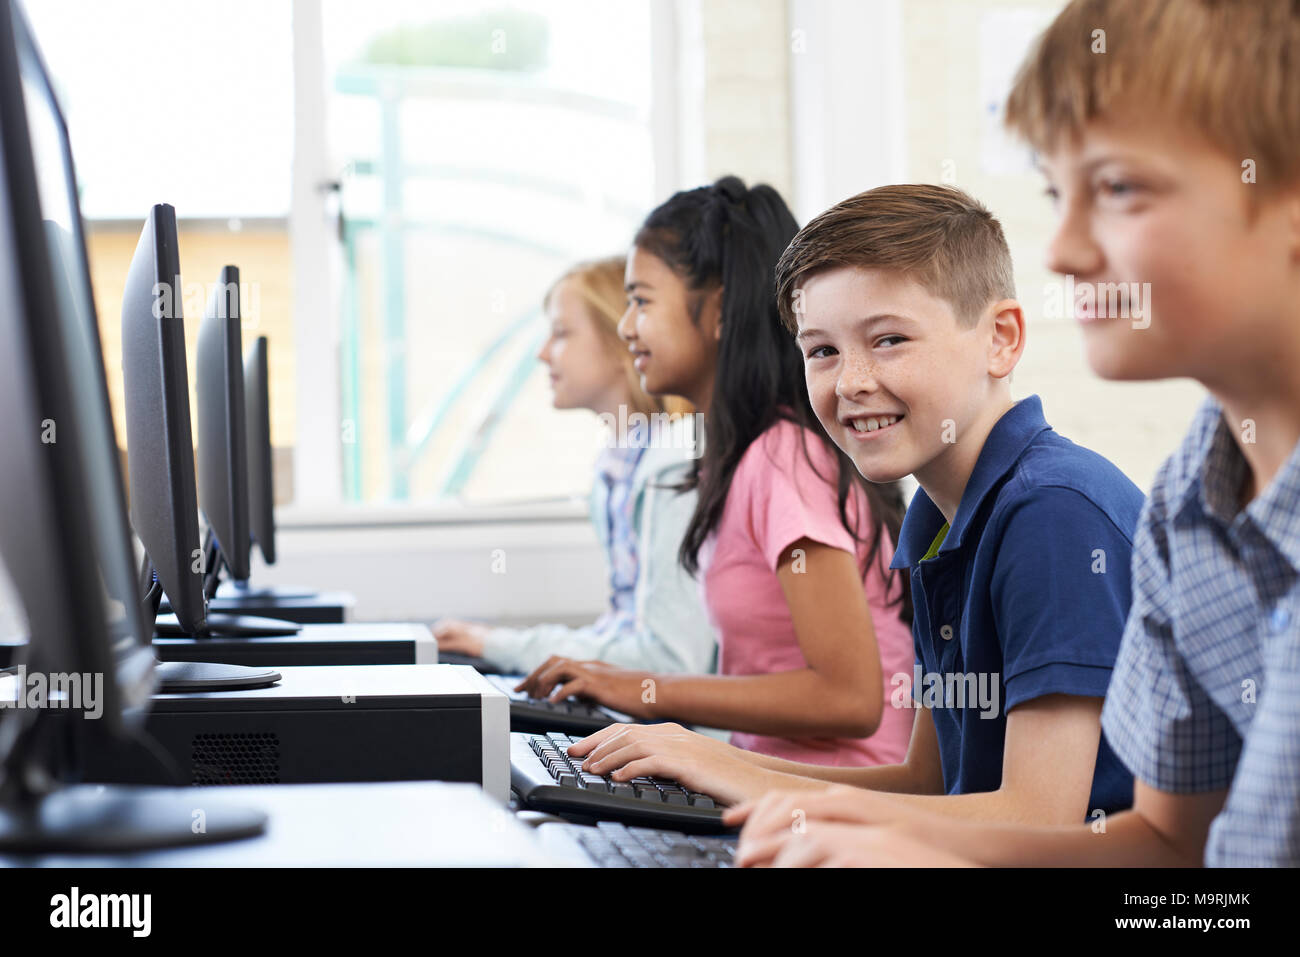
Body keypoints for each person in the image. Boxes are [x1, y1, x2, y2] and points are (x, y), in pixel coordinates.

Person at [734, 0, 1300, 867]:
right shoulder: (1192, 496)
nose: (1064, 248)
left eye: (1116, 188)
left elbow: (1063, 824)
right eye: (1054, 193)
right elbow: (1171, 859)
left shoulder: (1058, 510)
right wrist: (850, 826)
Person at [570, 184, 1144, 823]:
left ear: (1001, 339)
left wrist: (741, 775)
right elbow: (928, 785)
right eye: (822, 350)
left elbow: (1037, 824)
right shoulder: (936, 520)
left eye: (890, 340)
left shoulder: (1051, 514)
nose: (851, 382)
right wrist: (704, 760)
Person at [518, 176, 916, 766]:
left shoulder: (783, 456)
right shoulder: (738, 458)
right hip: (770, 780)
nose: (627, 326)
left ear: (722, 312)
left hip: (832, 803)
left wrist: (642, 691)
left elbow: (851, 698)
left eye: (642, 300)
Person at [433, 256, 716, 676]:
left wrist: (506, 646)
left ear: (621, 340)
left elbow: (669, 661)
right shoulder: (616, 466)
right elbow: (623, 629)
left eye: (562, 333)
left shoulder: (673, 467)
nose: (543, 353)